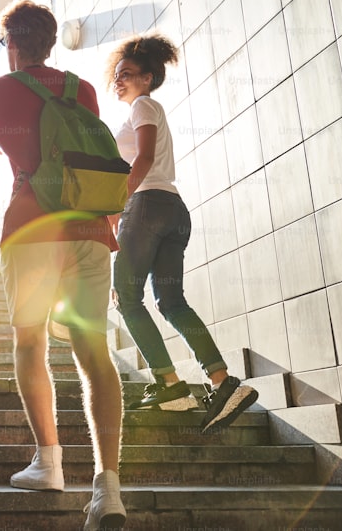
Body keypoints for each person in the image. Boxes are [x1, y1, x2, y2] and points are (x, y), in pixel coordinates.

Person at [0, 0, 127, 531]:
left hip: (32, 228)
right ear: (49, 42)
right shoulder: (81, 90)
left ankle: (48, 463)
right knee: (95, 352)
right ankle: (108, 491)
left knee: (31, 342)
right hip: (90, 229)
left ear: (12, 46)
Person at [106, 33, 258, 432]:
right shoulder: (145, 107)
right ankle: (222, 381)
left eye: (128, 74)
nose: (118, 81)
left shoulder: (143, 105)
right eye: (117, 75)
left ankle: (170, 384)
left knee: (125, 297)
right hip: (173, 210)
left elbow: (144, 157)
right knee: (171, 302)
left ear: (149, 77)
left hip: (147, 205)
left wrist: (118, 204)